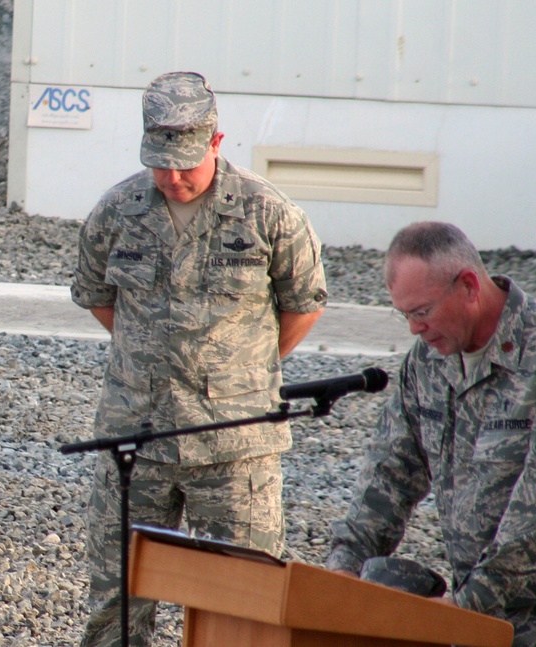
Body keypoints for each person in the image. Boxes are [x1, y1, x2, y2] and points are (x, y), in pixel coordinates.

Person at [71, 71, 327, 646]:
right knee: (117, 602)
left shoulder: (269, 214)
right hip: (135, 438)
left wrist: (240, 371)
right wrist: (152, 358)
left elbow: (303, 304)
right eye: (160, 163)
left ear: (217, 141)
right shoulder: (117, 211)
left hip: (235, 443)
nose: (172, 177)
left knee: (245, 605)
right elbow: (96, 296)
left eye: (185, 162)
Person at [325, 221, 536, 645]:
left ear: (470, 286)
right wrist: (341, 573)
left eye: (422, 312)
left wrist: (470, 604)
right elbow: (389, 477)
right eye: (404, 315)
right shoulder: (425, 364)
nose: (414, 329)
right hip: (480, 620)